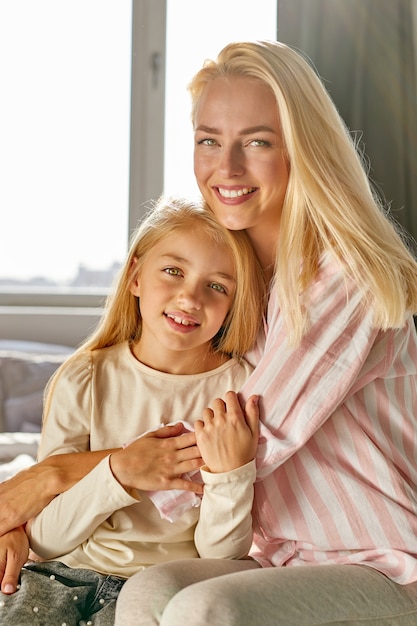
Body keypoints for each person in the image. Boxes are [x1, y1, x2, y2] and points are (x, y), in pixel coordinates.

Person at [1, 37, 417, 625]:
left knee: (204, 606)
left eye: (257, 142)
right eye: (208, 141)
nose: (228, 168)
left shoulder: (343, 275)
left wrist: (51, 476)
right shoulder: (235, 279)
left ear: (305, 149)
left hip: (384, 561)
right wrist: (28, 522)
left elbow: (247, 435)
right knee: (148, 593)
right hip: (277, 555)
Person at [0, 195, 265, 625]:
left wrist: (231, 475)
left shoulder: (241, 391)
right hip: (63, 576)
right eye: (173, 271)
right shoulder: (84, 378)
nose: (190, 297)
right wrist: (118, 472)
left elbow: (221, 556)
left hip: (164, 589)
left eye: (217, 285)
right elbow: (47, 540)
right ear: (136, 276)